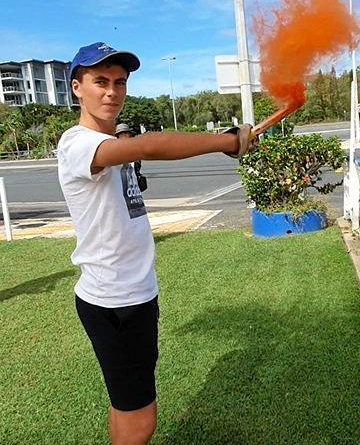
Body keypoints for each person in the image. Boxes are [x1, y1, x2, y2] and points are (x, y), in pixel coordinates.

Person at [57, 42, 253, 445]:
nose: (112, 91)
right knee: (141, 420)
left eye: (120, 83)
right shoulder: (77, 144)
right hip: (115, 301)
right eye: (100, 82)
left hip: (134, 294)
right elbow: (147, 146)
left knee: (125, 407)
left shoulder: (108, 141)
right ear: (77, 87)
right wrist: (225, 142)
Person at [115, 123, 148, 192]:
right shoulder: (114, 151)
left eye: (126, 134)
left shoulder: (135, 150)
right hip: (120, 187)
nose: (124, 137)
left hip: (134, 187)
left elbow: (137, 167)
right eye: (121, 135)